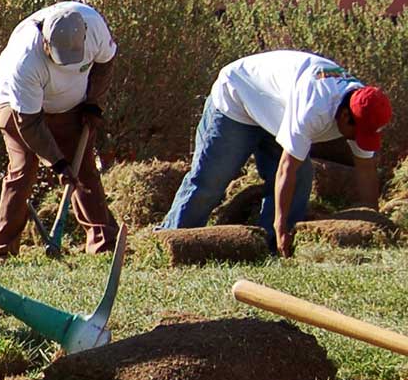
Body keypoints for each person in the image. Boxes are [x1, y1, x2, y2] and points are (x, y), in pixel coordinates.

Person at [159, 51, 389, 256]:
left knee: (302, 177)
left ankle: (271, 249)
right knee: (212, 181)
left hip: (278, 110)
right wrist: (281, 225)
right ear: (346, 115)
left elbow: (366, 169)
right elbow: (285, 170)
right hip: (238, 97)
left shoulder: (366, 110)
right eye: (354, 133)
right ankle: (169, 242)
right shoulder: (314, 107)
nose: (354, 140)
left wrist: (374, 222)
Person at [0, 1, 120, 261]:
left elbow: (105, 64)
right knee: (24, 168)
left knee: (83, 167)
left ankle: (104, 243)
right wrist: (58, 164)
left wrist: (94, 103)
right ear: (45, 43)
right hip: (18, 107)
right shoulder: (24, 60)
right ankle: (2, 249)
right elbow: (30, 124)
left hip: (72, 102)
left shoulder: (93, 27)